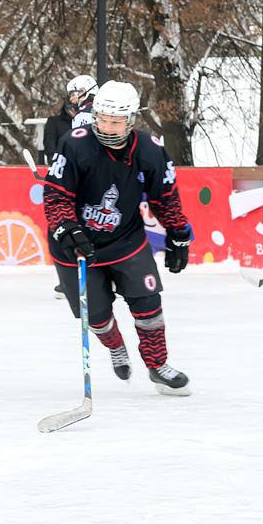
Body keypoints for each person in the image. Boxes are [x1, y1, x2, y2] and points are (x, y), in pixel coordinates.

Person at [43, 80, 193, 395]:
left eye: (116, 122)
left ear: (131, 120)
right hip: (76, 246)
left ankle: (157, 365)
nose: (108, 128)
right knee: (97, 315)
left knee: (149, 303)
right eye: (103, 120)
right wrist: (67, 229)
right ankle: (115, 346)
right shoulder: (74, 144)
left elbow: (165, 197)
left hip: (125, 239)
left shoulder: (150, 149)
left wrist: (178, 234)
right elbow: (56, 196)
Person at [43, 75, 97, 299]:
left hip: (87, 181)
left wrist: (64, 173)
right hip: (96, 178)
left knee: (70, 229)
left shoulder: (85, 114)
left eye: (76, 92)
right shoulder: (93, 111)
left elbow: (79, 150)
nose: (73, 97)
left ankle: (74, 281)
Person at [41, 74, 97, 166]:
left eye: (73, 94)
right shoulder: (87, 112)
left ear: (84, 91)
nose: (71, 99)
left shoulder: (86, 114)